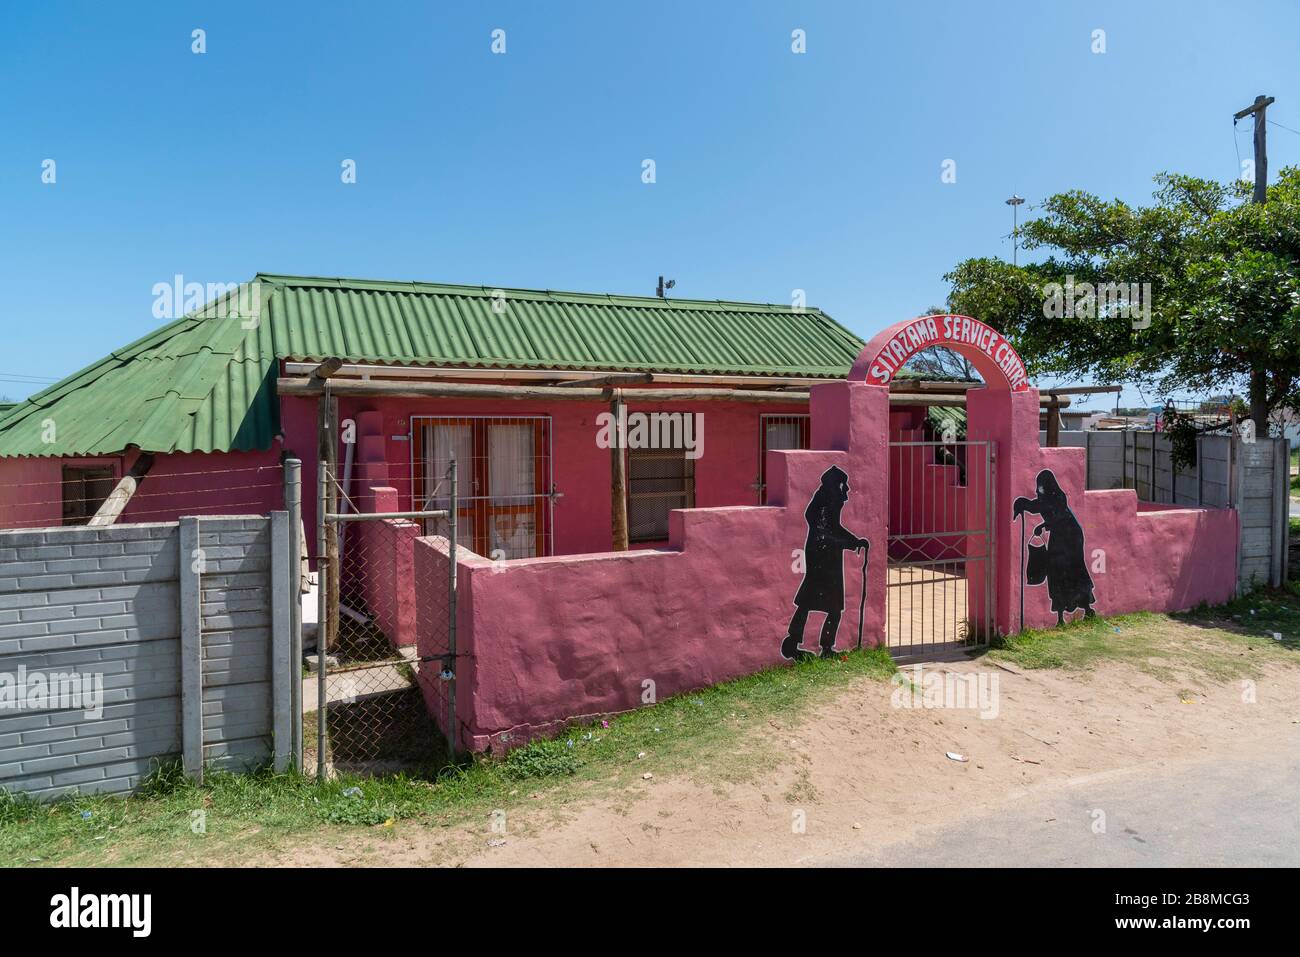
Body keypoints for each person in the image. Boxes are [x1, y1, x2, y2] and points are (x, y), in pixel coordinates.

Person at [782, 466, 870, 660]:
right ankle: (801, 643)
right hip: (822, 556)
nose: (846, 490)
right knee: (816, 601)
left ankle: (821, 646)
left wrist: (853, 540)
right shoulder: (824, 501)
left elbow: (833, 528)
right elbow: (824, 531)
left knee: (829, 604)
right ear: (835, 485)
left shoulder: (828, 501)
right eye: (843, 486)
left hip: (826, 555)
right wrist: (847, 543)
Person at [1013, 469, 1096, 625]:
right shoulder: (1044, 499)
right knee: (1055, 572)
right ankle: (1059, 617)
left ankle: (1087, 608)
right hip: (1058, 537)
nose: (1039, 489)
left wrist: (1043, 525)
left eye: (1041, 486)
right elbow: (1033, 506)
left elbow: (1060, 516)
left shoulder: (1058, 497)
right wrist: (1020, 505)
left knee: (1074, 570)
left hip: (1071, 537)